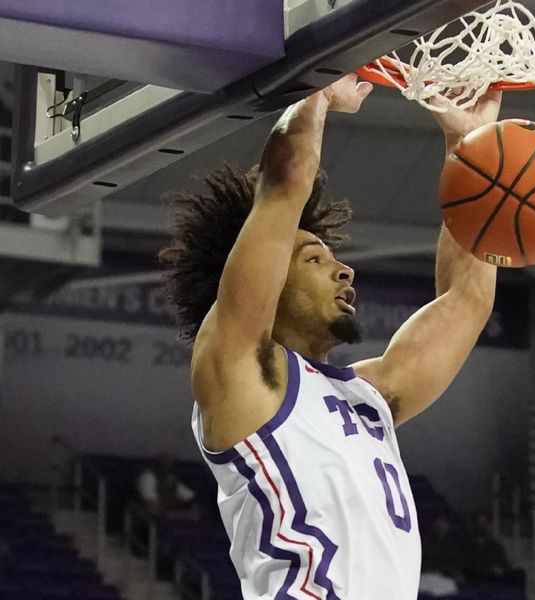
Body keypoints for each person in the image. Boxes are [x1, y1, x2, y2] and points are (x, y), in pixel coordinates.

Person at [160, 74, 501, 599]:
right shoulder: (240, 371)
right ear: (267, 279)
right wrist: (316, 86)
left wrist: (469, 153)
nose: (344, 271)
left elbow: (467, 300)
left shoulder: (369, 397)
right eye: (315, 259)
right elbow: (285, 182)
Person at [136, 452, 198, 519]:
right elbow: (150, 505)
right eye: (165, 463)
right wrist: (174, 515)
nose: (168, 465)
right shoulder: (147, 477)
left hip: (175, 512)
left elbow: (188, 496)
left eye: (170, 463)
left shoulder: (170, 478)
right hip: (159, 516)